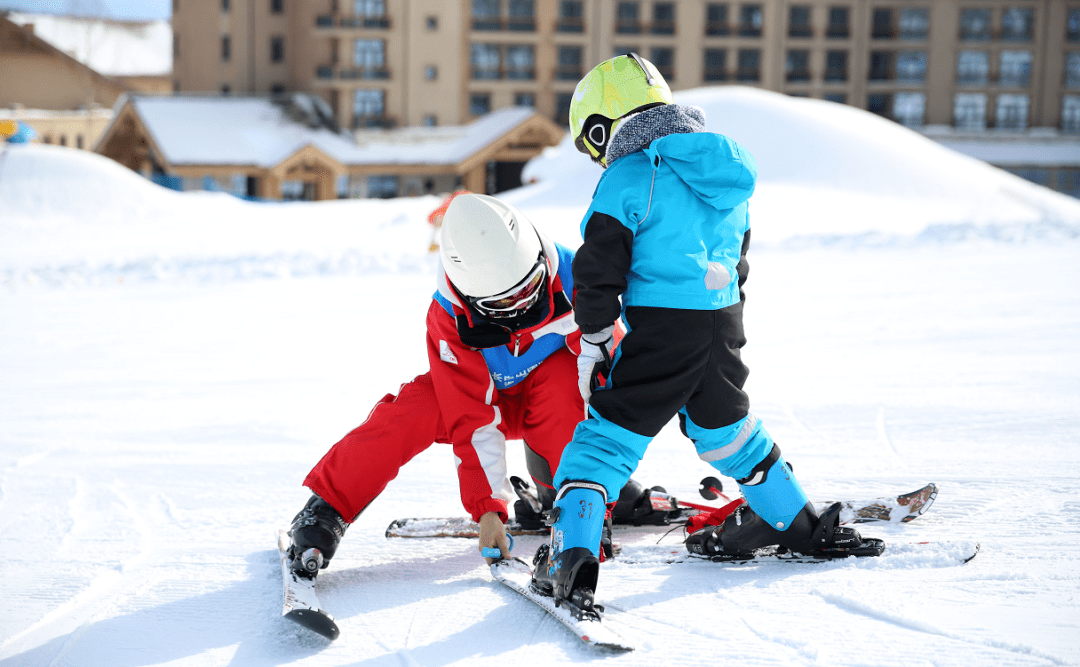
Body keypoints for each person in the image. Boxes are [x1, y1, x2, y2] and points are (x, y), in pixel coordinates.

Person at [529, 54, 875, 613]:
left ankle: (571, 559)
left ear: (602, 126)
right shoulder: (726, 172)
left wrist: (594, 339)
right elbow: (737, 262)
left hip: (661, 326)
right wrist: (722, 330)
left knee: (606, 440)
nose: (598, 160)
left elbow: (597, 268)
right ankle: (797, 521)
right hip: (721, 321)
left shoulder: (631, 173)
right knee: (727, 430)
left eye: (591, 146)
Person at [284, 192, 673, 578]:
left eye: (528, 288)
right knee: (415, 406)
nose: (521, 305)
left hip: (552, 399)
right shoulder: (448, 317)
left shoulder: (577, 279)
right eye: (504, 303)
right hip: (479, 401)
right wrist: (488, 510)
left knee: (564, 377)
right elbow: (470, 417)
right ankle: (327, 508)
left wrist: (598, 484)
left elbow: (608, 380)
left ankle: (566, 492)